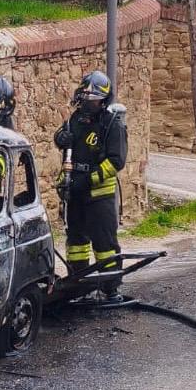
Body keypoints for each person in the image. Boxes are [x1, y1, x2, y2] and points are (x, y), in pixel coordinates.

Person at [54, 70, 128, 300]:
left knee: (104, 243)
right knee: (76, 242)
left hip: (99, 195)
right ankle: (79, 284)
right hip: (75, 191)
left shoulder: (112, 125)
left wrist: (88, 179)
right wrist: (60, 139)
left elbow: (116, 161)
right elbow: (64, 138)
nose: (88, 102)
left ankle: (110, 287)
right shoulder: (75, 119)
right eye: (85, 98)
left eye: (93, 99)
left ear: (103, 100)